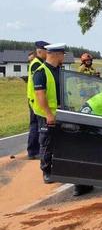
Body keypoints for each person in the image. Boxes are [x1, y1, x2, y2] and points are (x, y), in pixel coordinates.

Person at [30, 43, 65, 183]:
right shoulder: (41, 72)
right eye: (62, 54)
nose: (63, 56)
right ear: (56, 54)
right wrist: (48, 114)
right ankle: (46, 171)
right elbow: (40, 95)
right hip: (47, 114)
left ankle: (58, 167)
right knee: (47, 142)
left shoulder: (59, 70)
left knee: (59, 140)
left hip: (60, 112)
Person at [26, 41, 49, 160]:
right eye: (46, 51)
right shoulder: (36, 64)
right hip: (35, 99)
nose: (48, 53)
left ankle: (33, 151)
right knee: (36, 125)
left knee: (36, 125)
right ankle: (33, 151)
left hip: (34, 99)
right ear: (40, 51)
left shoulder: (38, 62)